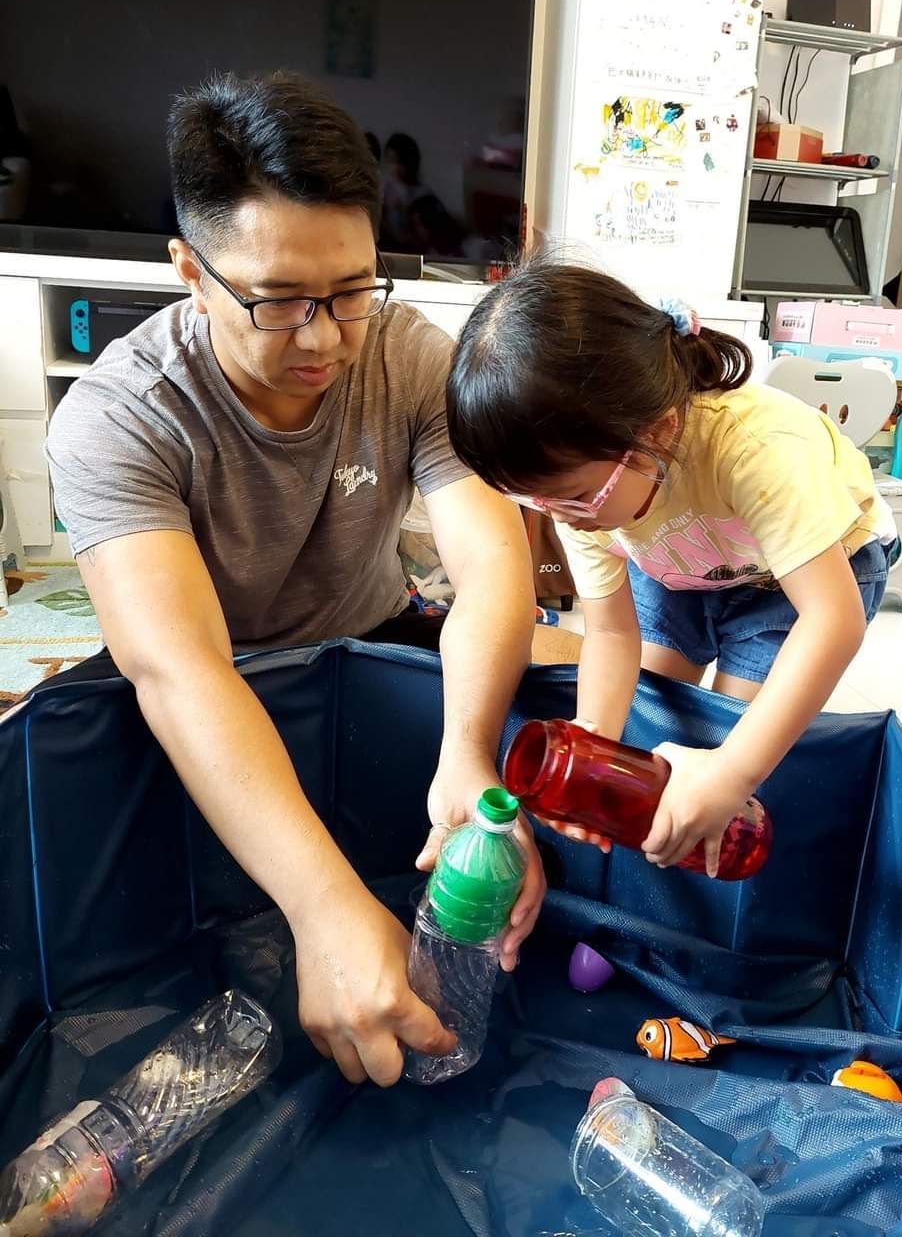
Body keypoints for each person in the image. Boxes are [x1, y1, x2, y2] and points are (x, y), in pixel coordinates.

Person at [44, 71, 544, 1086]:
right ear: (190, 267)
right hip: (206, 670)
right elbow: (181, 672)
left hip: (367, 643)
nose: (324, 336)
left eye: (352, 290)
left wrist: (468, 756)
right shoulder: (120, 415)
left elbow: (494, 565)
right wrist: (322, 910)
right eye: (277, 302)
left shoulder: (408, 357)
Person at [446, 256, 895, 876]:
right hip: (679, 566)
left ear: (654, 431)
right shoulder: (580, 494)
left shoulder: (755, 451)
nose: (559, 518)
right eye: (533, 499)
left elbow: (832, 620)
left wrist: (732, 770)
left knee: (726, 743)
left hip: (796, 582)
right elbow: (608, 631)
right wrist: (593, 744)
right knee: (653, 727)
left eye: (573, 498)